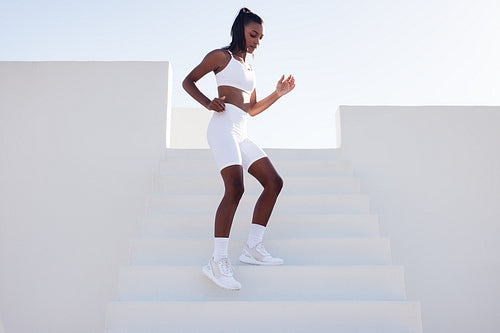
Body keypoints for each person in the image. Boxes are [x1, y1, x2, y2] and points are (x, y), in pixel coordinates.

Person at [182, 7, 295, 290]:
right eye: (253, 34)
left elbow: (252, 109)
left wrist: (277, 94)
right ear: (240, 30)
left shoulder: (250, 67)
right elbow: (188, 81)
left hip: (241, 130)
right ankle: (217, 261)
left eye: (261, 36)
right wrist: (208, 102)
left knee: (274, 182)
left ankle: (252, 248)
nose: (257, 41)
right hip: (222, 127)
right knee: (235, 188)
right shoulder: (222, 57)